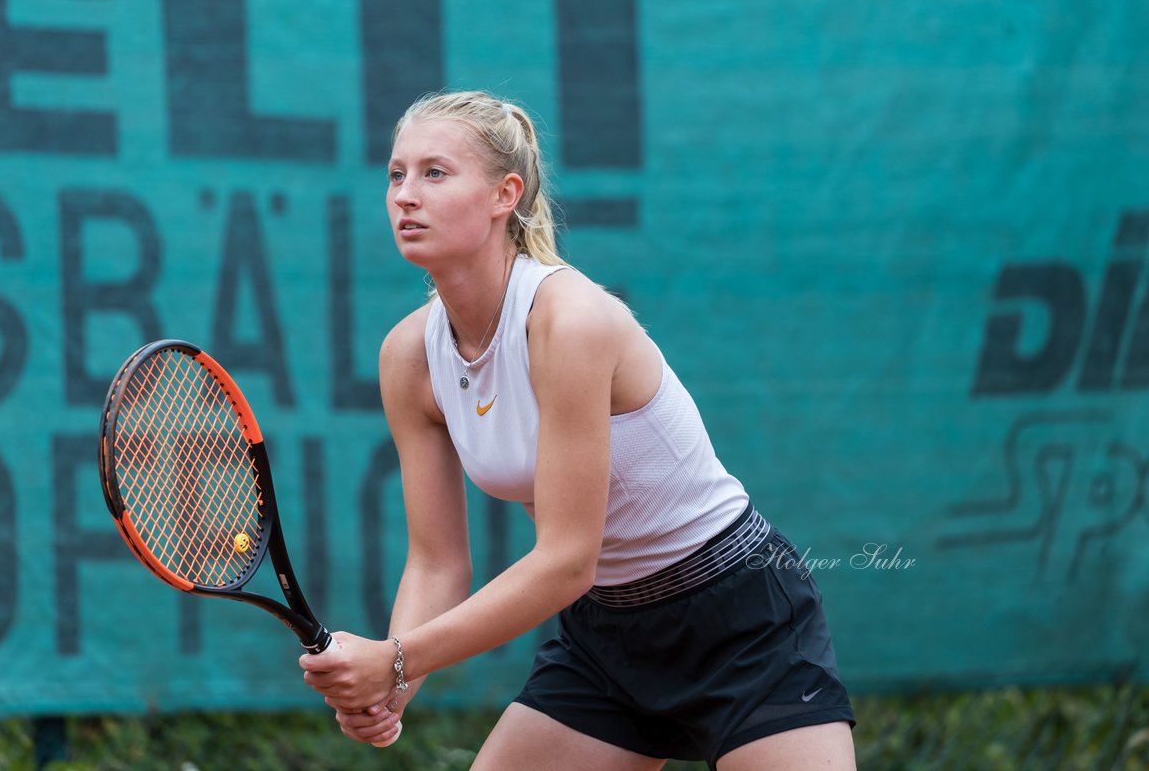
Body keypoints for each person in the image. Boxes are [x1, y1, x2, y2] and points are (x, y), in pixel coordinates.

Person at [299, 90, 856, 769]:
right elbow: (438, 561)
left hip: (742, 622)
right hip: (606, 640)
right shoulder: (409, 356)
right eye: (396, 174)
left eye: (435, 173)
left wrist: (396, 658)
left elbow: (566, 559)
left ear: (506, 194)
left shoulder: (571, 322)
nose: (405, 195)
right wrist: (398, 683)